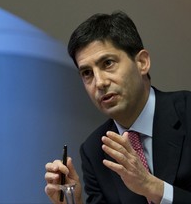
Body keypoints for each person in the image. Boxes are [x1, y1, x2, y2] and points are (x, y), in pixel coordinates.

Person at [44, 11, 191, 204]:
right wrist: (73, 201)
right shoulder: (94, 150)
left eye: (108, 63)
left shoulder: (187, 112)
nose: (99, 82)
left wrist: (152, 187)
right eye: (87, 73)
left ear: (142, 62)